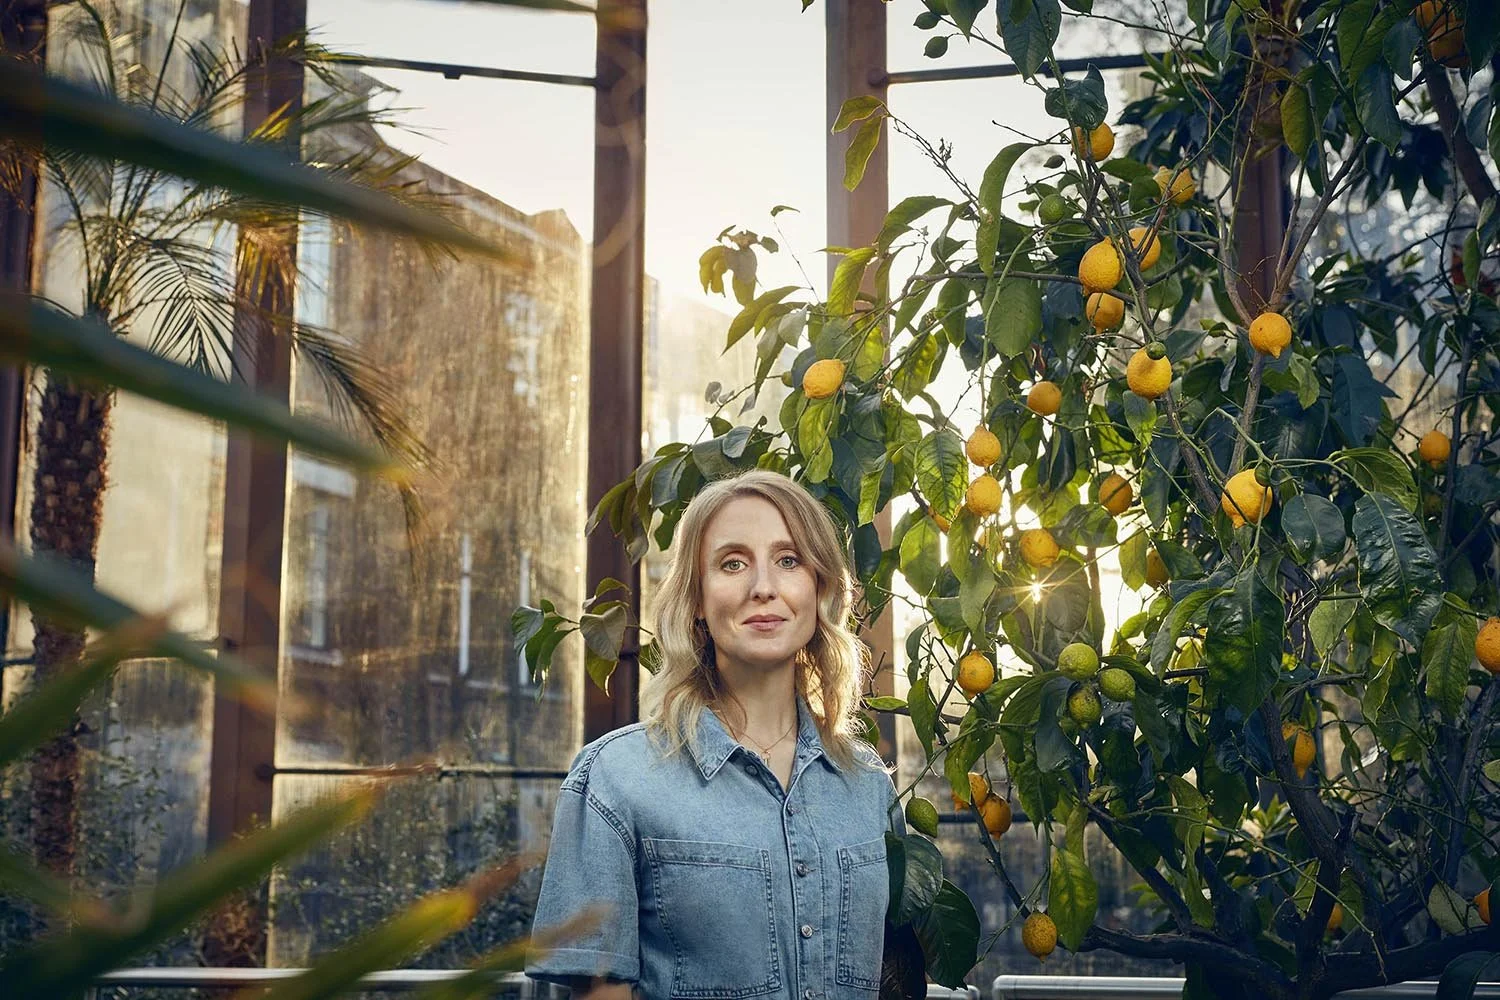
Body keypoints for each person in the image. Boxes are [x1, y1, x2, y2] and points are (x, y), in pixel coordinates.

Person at [524, 468, 903, 1000]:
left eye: (788, 560)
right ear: (697, 600)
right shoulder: (616, 780)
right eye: (732, 563)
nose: (764, 588)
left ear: (818, 588)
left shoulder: (867, 786)